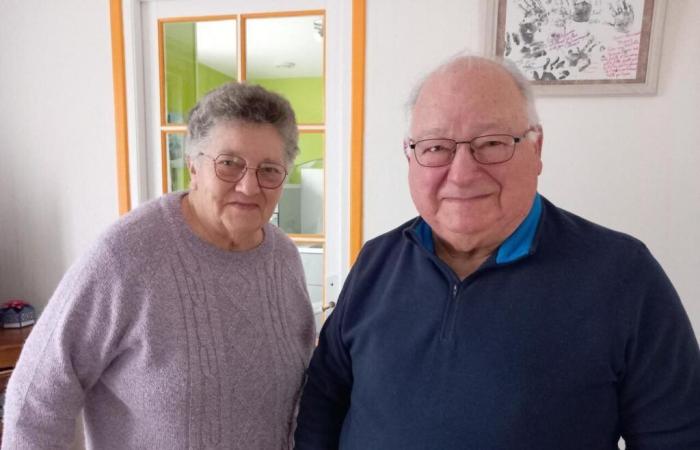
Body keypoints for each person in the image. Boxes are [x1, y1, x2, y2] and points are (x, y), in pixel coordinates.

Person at [294, 55, 700, 449]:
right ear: (411, 156)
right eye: (436, 147)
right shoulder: (376, 261)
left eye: (491, 143)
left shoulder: (624, 275)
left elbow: (678, 436)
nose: (463, 172)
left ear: (536, 149)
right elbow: (324, 400)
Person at [2, 82, 315, 449]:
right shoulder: (125, 256)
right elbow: (37, 397)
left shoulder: (283, 258)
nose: (249, 186)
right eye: (229, 163)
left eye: (269, 169)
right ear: (193, 166)